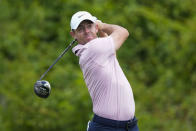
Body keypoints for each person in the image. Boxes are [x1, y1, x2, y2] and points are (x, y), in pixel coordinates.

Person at [70, 11, 139, 131]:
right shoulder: (92, 49)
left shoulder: (99, 49)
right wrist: (102, 25)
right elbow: (123, 32)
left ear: (94, 28)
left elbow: (113, 55)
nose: (86, 31)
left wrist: (100, 30)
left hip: (129, 126)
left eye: (89, 26)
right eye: (80, 29)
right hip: (108, 127)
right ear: (73, 34)